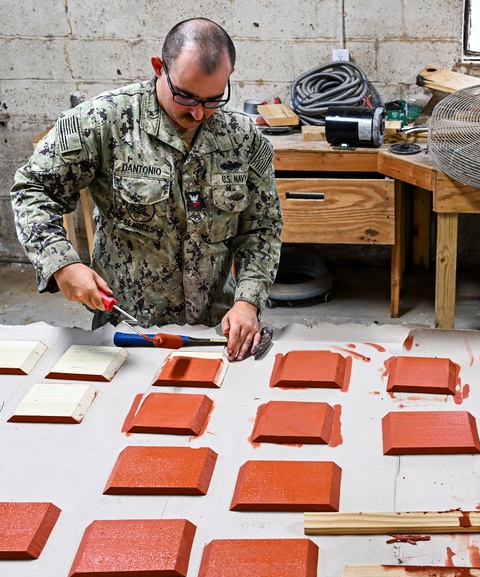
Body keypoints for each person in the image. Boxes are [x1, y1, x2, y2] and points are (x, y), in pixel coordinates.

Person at [11, 17, 282, 362]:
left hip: (217, 327)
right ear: (159, 67)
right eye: (186, 96)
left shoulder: (242, 138)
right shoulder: (104, 121)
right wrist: (62, 265)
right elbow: (33, 189)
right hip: (128, 330)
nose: (199, 113)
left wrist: (248, 300)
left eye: (213, 99)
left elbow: (262, 228)